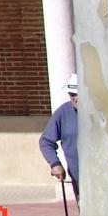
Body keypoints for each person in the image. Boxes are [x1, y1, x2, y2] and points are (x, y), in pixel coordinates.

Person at [39, 73, 80, 201]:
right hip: (79, 178)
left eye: (78, 94)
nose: (75, 98)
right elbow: (46, 141)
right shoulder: (63, 113)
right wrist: (55, 163)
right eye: (71, 94)